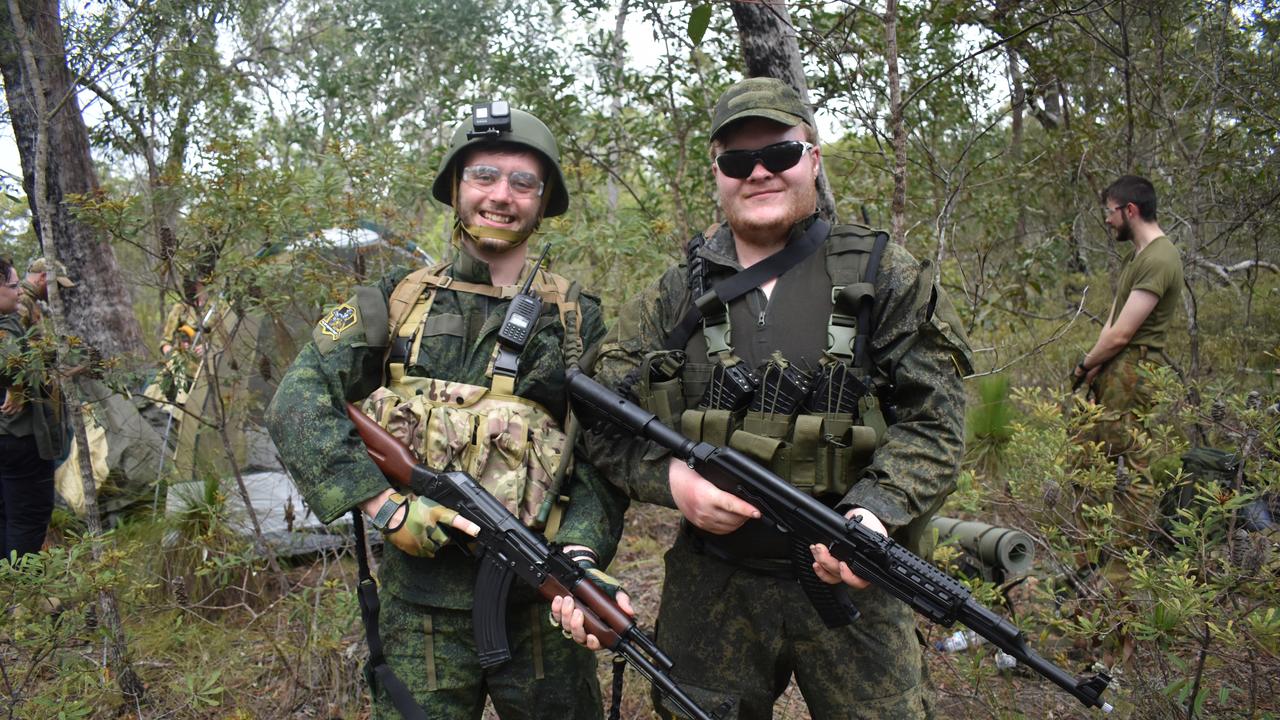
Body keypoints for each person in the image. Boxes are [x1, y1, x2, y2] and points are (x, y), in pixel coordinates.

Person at [582, 77, 972, 719]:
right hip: (714, 582)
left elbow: (935, 424)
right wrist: (674, 481)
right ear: (718, 173)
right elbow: (600, 418)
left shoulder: (884, 275)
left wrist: (873, 516)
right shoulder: (673, 296)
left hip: (852, 583)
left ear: (813, 161)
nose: (759, 172)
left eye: (781, 154)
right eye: (738, 160)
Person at [266, 102, 628, 720]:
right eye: (484, 175)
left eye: (523, 182)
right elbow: (297, 399)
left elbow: (602, 455)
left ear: (544, 202)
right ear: (456, 188)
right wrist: (384, 506)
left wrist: (581, 555)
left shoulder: (574, 320)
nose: (501, 196)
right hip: (418, 614)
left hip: (539, 614)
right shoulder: (395, 301)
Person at [1074, 176, 1183, 472]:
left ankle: (1130, 521)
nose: (1108, 220)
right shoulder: (1136, 257)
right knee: (1091, 459)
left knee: (1132, 464)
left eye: (1110, 212)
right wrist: (1095, 362)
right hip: (1115, 366)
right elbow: (1113, 321)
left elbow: (1123, 334)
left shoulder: (1159, 259)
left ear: (1130, 210)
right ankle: (1091, 519)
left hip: (1135, 370)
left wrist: (1084, 365)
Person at [1, 256, 63, 563]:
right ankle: (21, 598)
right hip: (19, 433)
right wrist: (18, 385)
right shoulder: (14, 313)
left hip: (14, 434)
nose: (16, 292)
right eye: (11, 286)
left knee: (9, 515)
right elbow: (12, 361)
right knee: (27, 518)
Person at [17, 256, 75, 327]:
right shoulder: (21, 299)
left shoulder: (32, 301)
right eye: (57, 285)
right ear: (42, 277)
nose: (58, 290)